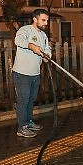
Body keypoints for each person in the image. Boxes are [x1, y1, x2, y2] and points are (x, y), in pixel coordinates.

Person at [12, 8, 51, 138]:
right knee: (23, 100)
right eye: (43, 20)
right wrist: (31, 46)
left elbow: (47, 49)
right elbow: (18, 41)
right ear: (35, 19)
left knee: (31, 99)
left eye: (47, 20)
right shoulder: (25, 30)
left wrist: (47, 56)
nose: (46, 23)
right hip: (22, 73)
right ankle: (21, 128)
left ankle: (28, 122)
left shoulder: (44, 36)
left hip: (35, 73)